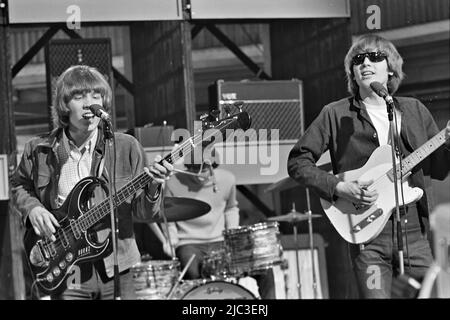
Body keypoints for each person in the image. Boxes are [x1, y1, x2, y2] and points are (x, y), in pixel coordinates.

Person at [287, 34, 450, 299]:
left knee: (435, 294)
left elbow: (440, 168)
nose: (365, 63)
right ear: (352, 72)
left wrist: (448, 143)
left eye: (375, 57)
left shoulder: (415, 110)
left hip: (414, 231)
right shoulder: (335, 113)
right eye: (358, 59)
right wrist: (339, 186)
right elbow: (297, 161)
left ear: (391, 69)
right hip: (368, 232)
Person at [11, 65, 173, 300]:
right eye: (79, 97)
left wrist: (154, 186)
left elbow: (145, 214)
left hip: (116, 264)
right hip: (67, 266)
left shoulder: (126, 147)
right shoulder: (39, 149)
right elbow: (19, 185)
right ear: (64, 105)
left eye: (96, 96)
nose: (89, 104)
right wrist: (32, 208)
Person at [162, 148, 240, 281]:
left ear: (212, 166)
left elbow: (231, 208)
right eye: (194, 169)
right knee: (191, 272)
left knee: (261, 267)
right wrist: (171, 239)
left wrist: (232, 234)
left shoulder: (228, 179)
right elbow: (167, 216)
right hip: (188, 242)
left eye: (203, 170)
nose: (199, 175)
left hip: (220, 241)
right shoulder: (173, 182)